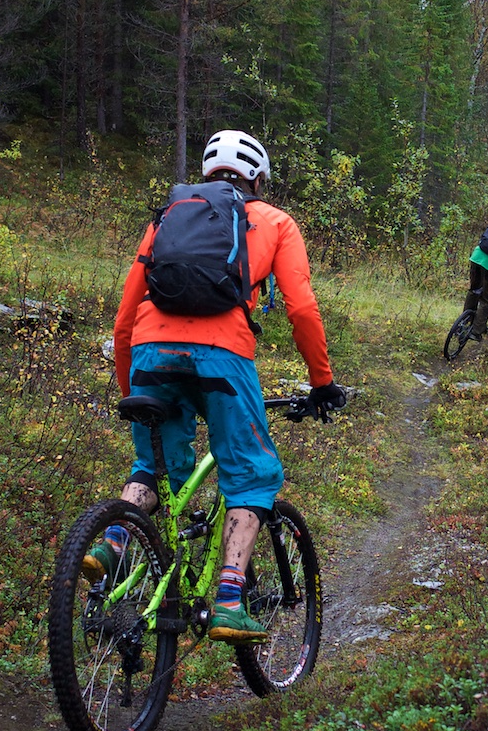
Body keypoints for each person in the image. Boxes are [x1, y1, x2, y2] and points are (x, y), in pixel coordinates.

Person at [93, 130, 346, 642]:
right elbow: (300, 307)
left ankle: (111, 542)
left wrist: (131, 386)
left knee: (154, 464)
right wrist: (322, 381)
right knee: (252, 475)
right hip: (222, 355)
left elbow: (124, 316)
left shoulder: (168, 216)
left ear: (207, 175)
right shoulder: (275, 220)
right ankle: (230, 598)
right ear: (257, 177)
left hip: (148, 352)